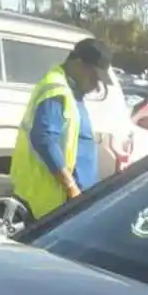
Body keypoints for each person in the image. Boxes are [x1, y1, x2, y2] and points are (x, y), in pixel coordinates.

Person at [11, 38, 110, 224]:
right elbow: (44, 139)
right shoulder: (57, 89)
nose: (96, 86)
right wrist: (71, 188)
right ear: (80, 65)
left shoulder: (71, 89)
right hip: (56, 202)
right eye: (95, 78)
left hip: (69, 200)